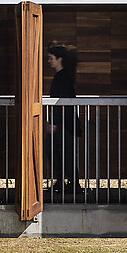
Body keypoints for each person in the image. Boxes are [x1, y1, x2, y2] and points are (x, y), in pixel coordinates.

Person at [46, 43, 82, 199]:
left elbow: (62, 104)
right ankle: (63, 182)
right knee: (56, 151)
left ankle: (73, 184)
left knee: (64, 153)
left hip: (64, 124)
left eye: (51, 58)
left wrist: (54, 123)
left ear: (59, 59)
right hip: (63, 123)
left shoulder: (63, 78)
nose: (49, 61)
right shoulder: (63, 76)